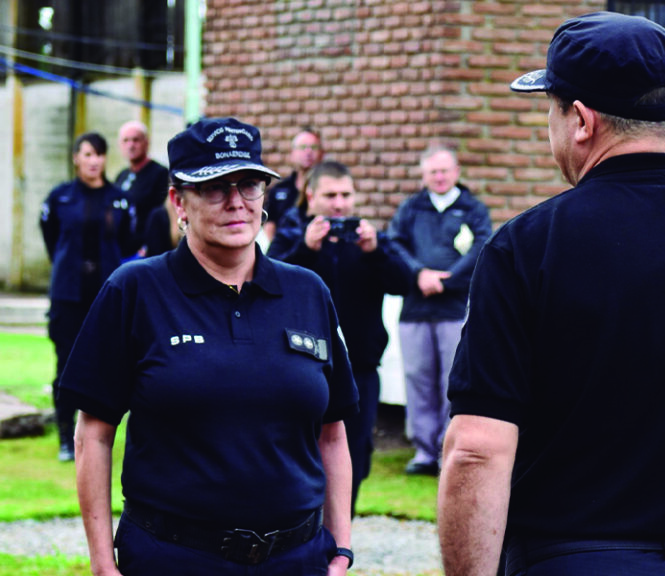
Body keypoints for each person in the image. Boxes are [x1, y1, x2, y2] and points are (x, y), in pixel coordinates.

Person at [438, 12, 665, 576]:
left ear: (581, 120)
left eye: (551, 109)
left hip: (575, 557)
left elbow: (477, 449)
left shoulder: (526, 248)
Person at [59, 117, 358, 576]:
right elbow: (93, 435)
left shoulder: (308, 292)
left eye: (250, 185)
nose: (236, 202)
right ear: (179, 201)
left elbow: (332, 433)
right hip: (173, 558)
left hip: (296, 559)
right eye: (215, 187)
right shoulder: (135, 290)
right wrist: (103, 564)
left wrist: (341, 550)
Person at [268, 160, 411, 514]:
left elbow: (404, 282)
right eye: (330, 195)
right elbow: (269, 284)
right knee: (298, 451)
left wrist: (374, 252)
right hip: (299, 368)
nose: (339, 204)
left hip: (359, 368)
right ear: (311, 195)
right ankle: (301, 527)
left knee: (355, 454)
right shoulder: (291, 233)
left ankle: (343, 528)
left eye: (346, 195)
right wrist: (306, 249)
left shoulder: (368, 238)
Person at [387, 144, 491, 476]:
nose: (440, 177)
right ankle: (423, 452)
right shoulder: (410, 208)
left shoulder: (472, 209)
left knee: (452, 380)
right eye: (433, 171)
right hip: (415, 310)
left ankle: (449, 449)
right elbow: (394, 244)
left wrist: (446, 281)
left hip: (454, 310)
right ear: (424, 175)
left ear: (456, 172)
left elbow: (482, 246)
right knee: (418, 379)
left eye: (445, 170)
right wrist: (419, 273)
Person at [39, 132, 135, 462]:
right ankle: (66, 435)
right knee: (66, 364)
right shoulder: (59, 197)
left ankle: (101, 435)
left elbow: (127, 241)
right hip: (68, 296)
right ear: (76, 158)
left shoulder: (119, 199)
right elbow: (51, 238)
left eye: (99, 154)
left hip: (105, 296)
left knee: (109, 366)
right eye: (88, 154)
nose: (94, 161)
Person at [115, 120, 169, 255]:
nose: (131, 145)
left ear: (146, 142)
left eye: (136, 140)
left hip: (146, 253)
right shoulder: (122, 175)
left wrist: (148, 246)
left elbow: (162, 216)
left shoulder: (160, 174)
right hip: (121, 252)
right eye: (126, 141)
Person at [263, 127, 324, 241]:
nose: (308, 152)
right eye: (303, 147)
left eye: (313, 147)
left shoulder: (327, 190)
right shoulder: (279, 190)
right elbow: (269, 226)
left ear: (321, 153)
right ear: (292, 153)